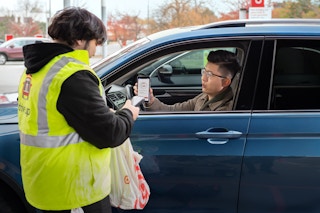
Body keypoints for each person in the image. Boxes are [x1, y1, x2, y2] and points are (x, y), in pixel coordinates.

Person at [17, 7, 139, 213]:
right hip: (75, 192)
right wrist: (128, 112)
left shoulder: (36, 70)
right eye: (96, 43)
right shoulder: (72, 75)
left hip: (44, 183)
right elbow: (110, 134)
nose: (95, 50)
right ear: (81, 40)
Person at [134, 50, 241, 111]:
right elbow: (173, 111)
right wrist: (151, 100)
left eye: (209, 74)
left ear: (225, 82)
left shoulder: (224, 110)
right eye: (204, 71)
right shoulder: (204, 97)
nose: (203, 78)